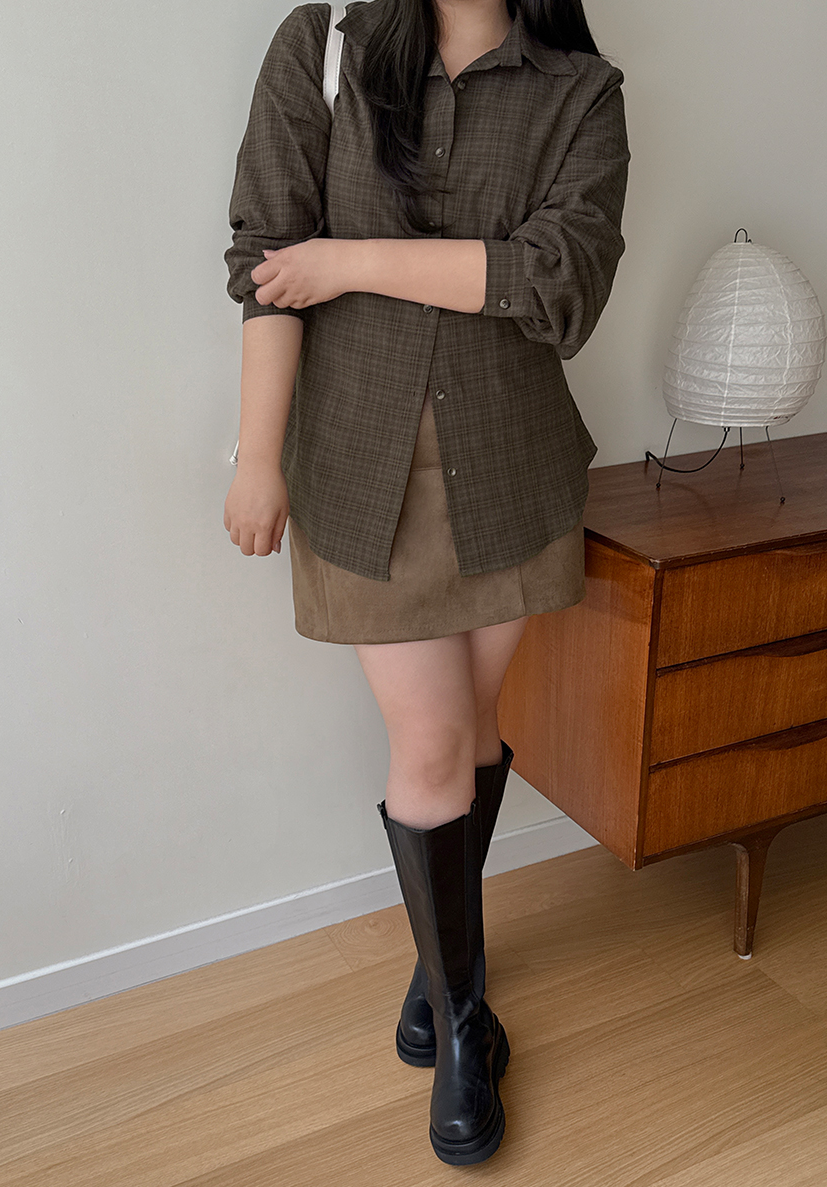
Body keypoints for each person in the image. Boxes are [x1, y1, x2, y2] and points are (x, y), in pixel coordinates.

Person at [223, 0, 629, 1164]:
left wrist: (348, 259)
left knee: (474, 727)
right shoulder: (324, 45)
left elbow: (561, 285)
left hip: (513, 474)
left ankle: (439, 963)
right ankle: (463, 1025)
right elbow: (265, 263)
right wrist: (257, 457)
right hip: (362, 475)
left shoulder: (580, 91)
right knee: (437, 742)